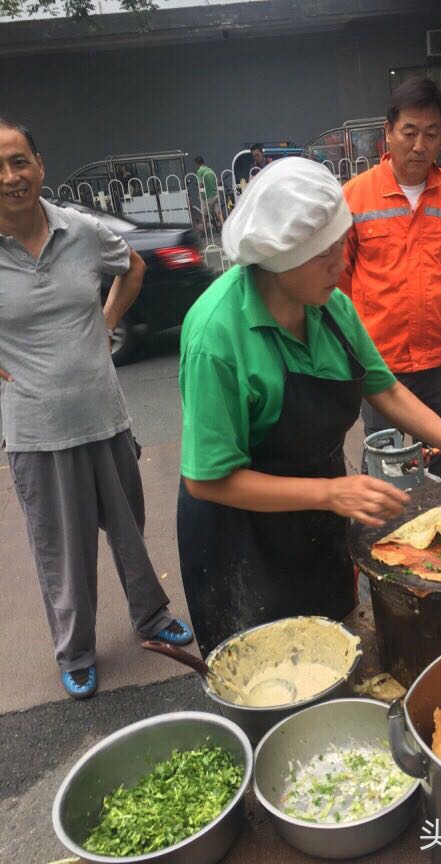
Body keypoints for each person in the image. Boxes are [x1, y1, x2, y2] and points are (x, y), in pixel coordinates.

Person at [176, 157, 441, 657]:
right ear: (280, 255)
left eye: (342, 246)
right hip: (240, 540)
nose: (342, 265)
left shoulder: (330, 306)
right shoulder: (217, 335)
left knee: (335, 653)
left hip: (318, 522)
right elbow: (206, 479)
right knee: (267, 679)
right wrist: (331, 492)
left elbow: (386, 390)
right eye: (326, 255)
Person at [0, 118, 193, 699]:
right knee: (63, 550)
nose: (10, 177)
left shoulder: (80, 231)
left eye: (19, 161)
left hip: (104, 416)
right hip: (36, 430)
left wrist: (106, 322)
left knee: (130, 532)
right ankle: (76, 649)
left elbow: (131, 267)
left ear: (40, 164)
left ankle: (152, 618)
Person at [339, 78, 441, 477]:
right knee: (381, 467)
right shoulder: (355, 197)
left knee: (434, 463)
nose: (420, 145)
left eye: (431, 134)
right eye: (410, 132)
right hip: (380, 361)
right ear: (388, 132)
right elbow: (340, 281)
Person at [194, 155, 222, 232]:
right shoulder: (210, 169)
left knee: (204, 215)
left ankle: (204, 232)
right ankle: (225, 227)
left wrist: (199, 194)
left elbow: (201, 183)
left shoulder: (200, 171)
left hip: (207, 196)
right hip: (215, 194)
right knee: (217, 213)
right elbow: (217, 180)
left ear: (197, 163)